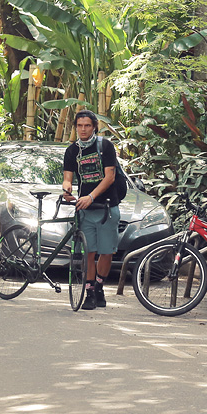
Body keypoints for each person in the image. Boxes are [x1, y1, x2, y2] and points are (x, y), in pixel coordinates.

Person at [62, 110, 120, 311]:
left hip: (106, 208)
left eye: (87, 125)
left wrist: (91, 197)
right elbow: (68, 177)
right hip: (85, 209)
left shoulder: (105, 146)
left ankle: (99, 287)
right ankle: (89, 293)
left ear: (94, 126)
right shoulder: (72, 151)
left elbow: (109, 177)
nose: (83, 129)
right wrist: (66, 190)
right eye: (79, 126)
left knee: (106, 252)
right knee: (88, 252)